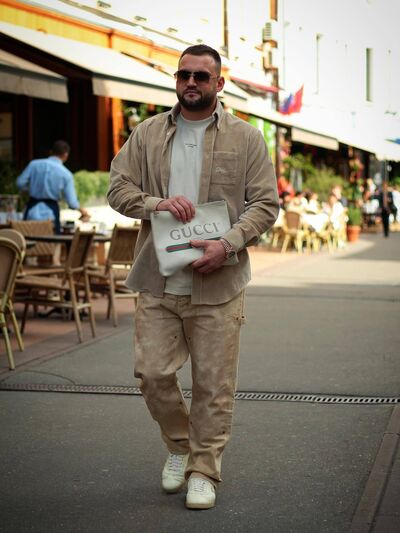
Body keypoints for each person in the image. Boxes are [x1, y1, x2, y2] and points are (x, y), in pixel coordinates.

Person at [107, 44, 279, 510]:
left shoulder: (246, 138)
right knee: (151, 374)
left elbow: (265, 204)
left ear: (218, 84)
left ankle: (204, 470)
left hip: (219, 284)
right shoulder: (147, 134)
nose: (191, 82)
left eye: (201, 76)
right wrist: (155, 203)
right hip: (159, 279)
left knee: (212, 384)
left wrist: (228, 244)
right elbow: (117, 188)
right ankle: (181, 446)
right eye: (184, 74)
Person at [16, 140, 89, 234]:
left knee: (28, 238)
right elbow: (72, 202)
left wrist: (31, 189)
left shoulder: (34, 164)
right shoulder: (66, 174)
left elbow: (20, 183)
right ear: (66, 155)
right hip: (50, 215)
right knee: (50, 241)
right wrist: (82, 211)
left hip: (31, 210)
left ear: (51, 152)